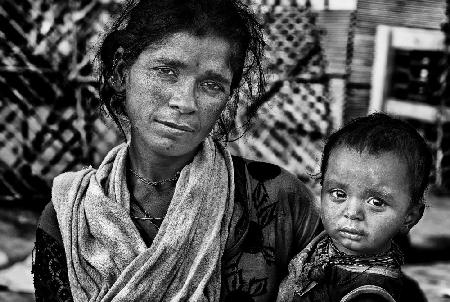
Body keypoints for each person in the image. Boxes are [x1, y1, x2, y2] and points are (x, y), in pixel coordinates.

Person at [32, 0, 322, 301]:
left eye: (211, 85)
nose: (185, 102)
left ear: (228, 96)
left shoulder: (280, 201)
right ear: (121, 71)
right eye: (167, 71)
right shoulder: (72, 215)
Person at [276, 113, 432, 302]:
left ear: (410, 216)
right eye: (338, 194)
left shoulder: (371, 294)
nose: (352, 213)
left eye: (376, 202)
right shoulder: (323, 242)